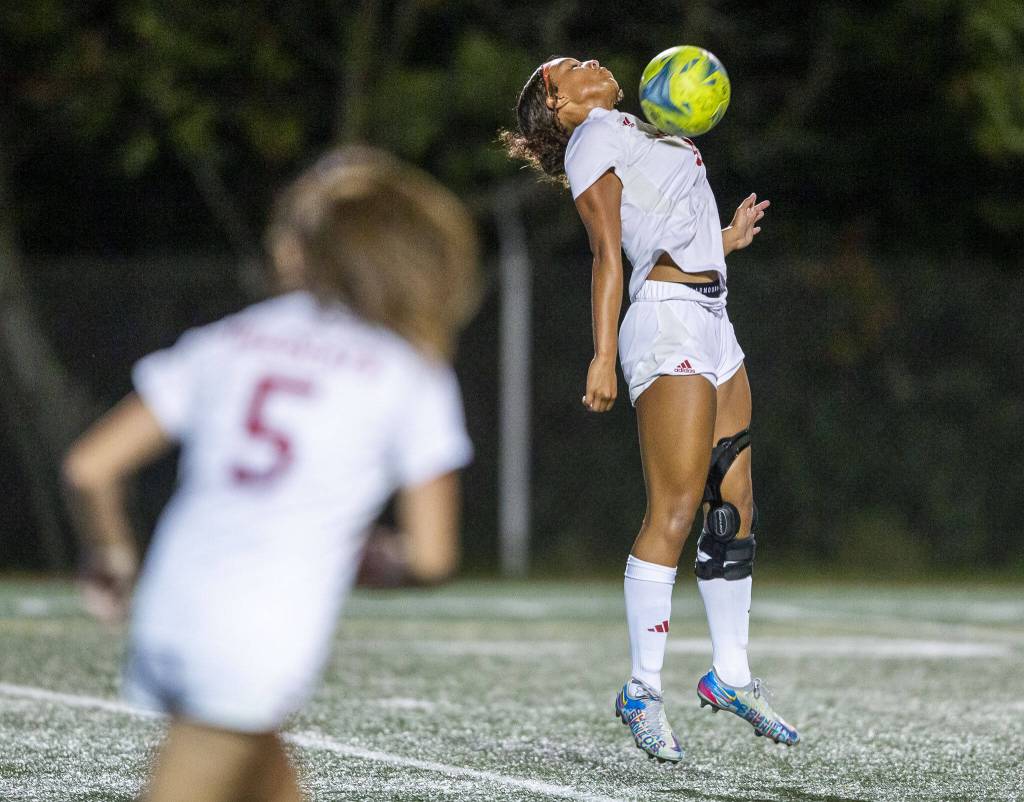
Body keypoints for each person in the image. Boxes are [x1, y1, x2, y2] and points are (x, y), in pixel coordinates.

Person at [62, 146, 480, 801]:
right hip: (258, 634)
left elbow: (90, 468)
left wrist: (110, 553)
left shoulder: (230, 338)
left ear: (300, 253)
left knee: (269, 781)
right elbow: (431, 556)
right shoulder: (410, 372)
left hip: (169, 609)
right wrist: (374, 558)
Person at [502, 57, 799, 762]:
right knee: (673, 509)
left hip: (713, 319)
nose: (592, 63)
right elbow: (609, 253)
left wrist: (721, 242)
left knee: (733, 506)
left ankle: (730, 675)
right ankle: (641, 688)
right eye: (572, 66)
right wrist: (602, 355)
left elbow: (655, 227)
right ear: (557, 98)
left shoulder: (633, 128)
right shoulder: (592, 136)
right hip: (665, 325)